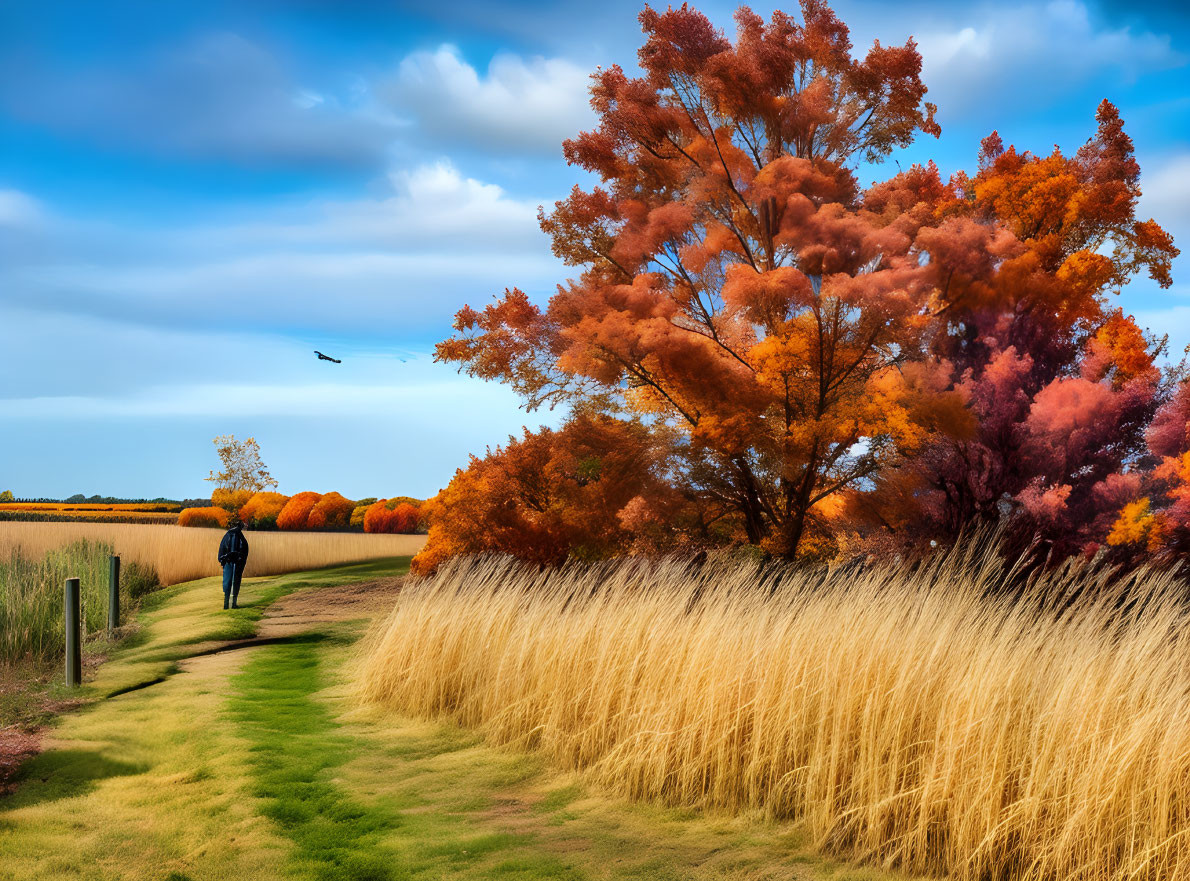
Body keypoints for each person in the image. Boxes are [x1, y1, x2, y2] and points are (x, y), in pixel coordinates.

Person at [217, 518, 249, 609]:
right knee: (235, 581)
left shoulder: (228, 535)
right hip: (234, 562)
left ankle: (226, 605)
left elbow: (222, 550)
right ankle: (232, 604)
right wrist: (240, 559)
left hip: (228, 562)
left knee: (228, 582)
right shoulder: (238, 535)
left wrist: (222, 560)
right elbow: (243, 549)